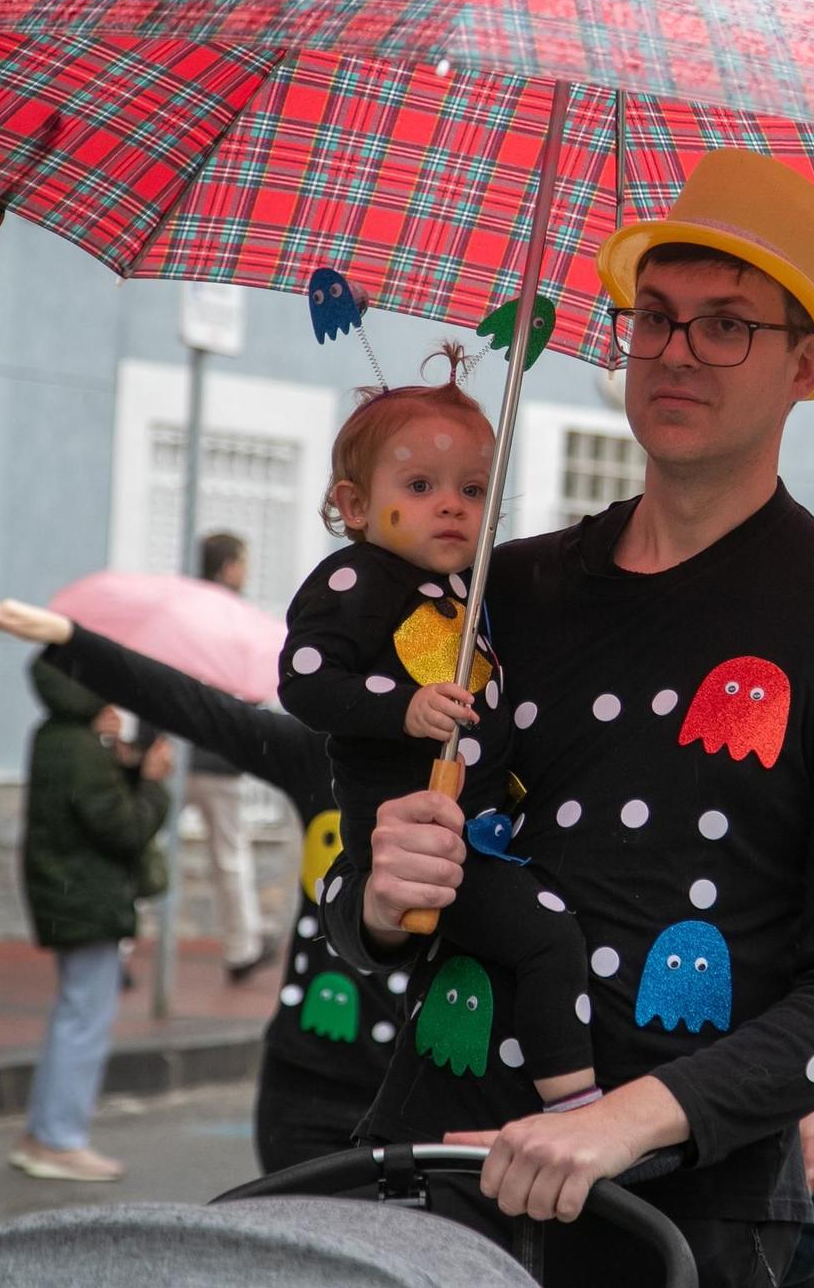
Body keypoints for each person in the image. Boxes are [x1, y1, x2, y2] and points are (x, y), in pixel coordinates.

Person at [320, 149, 814, 1287]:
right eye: (652, 316)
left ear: (804, 362)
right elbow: (358, 904)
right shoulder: (502, 589)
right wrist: (377, 892)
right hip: (429, 1170)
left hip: (677, 1217)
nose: (673, 352)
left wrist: (621, 1121)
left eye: (724, 325)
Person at [0, 598, 403, 1173]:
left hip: (413, 1094)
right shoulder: (321, 757)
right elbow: (195, 707)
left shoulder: (485, 785)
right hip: (305, 1083)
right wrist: (70, 639)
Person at [279, 348, 597, 1114]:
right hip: (416, 831)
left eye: (473, 489)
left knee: (525, 946)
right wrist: (403, 709)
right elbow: (303, 679)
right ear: (354, 505)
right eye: (419, 487)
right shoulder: (352, 580)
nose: (451, 505)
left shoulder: (468, 586)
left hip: (477, 822)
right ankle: (575, 1106)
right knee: (549, 941)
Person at [9, 654, 171, 1181]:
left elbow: (89, 805)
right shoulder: (80, 746)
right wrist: (150, 782)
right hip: (87, 899)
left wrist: (117, 758)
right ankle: (58, 1139)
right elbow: (121, 826)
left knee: (72, 1013)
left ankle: (43, 1133)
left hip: (68, 897)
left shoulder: (55, 736)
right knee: (84, 1019)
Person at [190, 531, 272, 983]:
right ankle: (242, 949)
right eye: (242, 562)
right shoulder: (235, 620)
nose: (247, 570)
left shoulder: (183, 613)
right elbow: (252, 687)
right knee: (231, 857)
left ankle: (118, 948)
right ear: (228, 567)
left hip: (174, 754)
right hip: (218, 759)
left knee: (144, 852)